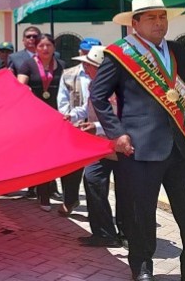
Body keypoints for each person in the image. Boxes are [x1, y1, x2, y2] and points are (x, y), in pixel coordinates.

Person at [91, 0, 185, 281]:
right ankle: (142, 267)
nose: (159, 23)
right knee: (140, 215)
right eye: (151, 18)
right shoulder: (119, 54)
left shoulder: (178, 52)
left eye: (162, 17)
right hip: (138, 150)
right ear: (135, 23)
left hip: (183, 147)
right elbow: (98, 97)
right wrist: (117, 134)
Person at [70, 46, 125, 248]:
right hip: (99, 146)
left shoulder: (120, 88)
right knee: (92, 180)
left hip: (120, 147)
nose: (85, 67)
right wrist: (72, 115)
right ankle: (103, 232)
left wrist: (97, 126)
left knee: (125, 191)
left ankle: (126, 233)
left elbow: (121, 117)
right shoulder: (94, 85)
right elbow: (87, 108)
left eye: (89, 64)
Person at [17, 34, 65, 212]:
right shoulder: (28, 64)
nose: (45, 49)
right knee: (41, 156)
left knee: (53, 156)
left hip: (56, 116)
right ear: (36, 48)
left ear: (54, 47)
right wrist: (25, 88)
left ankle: (51, 191)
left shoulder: (61, 65)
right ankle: (43, 195)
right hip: (35, 117)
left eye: (48, 45)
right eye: (41, 46)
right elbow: (20, 85)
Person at [55, 37, 102, 216]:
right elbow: (63, 101)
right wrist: (71, 119)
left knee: (94, 173)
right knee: (71, 167)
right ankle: (70, 199)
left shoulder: (105, 75)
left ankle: (97, 210)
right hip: (76, 126)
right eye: (85, 53)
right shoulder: (69, 74)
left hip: (99, 128)